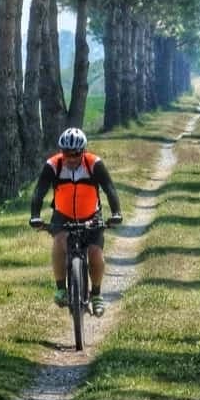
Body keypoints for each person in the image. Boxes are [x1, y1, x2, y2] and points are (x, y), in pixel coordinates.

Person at [29, 127, 123, 316]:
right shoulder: (53, 165)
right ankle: (61, 289)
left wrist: (116, 213)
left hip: (91, 215)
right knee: (59, 242)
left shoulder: (94, 164)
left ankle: (96, 295)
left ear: (84, 151)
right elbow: (39, 191)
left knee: (95, 252)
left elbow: (109, 189)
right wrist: (35, 216)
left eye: (76, 154)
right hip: (62, 215)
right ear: (61, 151)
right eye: (66, 153)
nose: (71, 158)